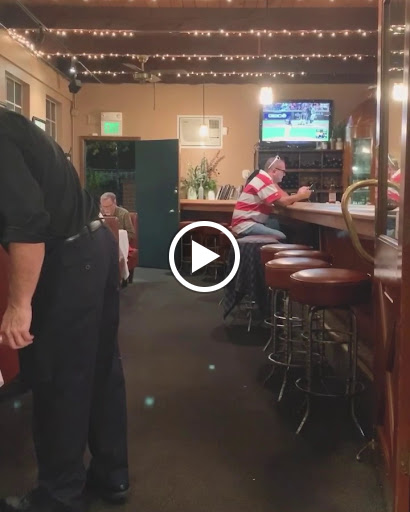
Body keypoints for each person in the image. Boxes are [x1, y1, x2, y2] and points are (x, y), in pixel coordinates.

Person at [0, 108, 128, 512]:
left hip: (69, 260)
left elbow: (28, 227)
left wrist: (18, 306)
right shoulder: (10, 125)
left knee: (58, 378)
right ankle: (111, 474)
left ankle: (59, 494)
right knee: (101, 369)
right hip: (95, 246)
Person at [231, 156, 311, 238]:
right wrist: (301, 195)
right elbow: (281, 202)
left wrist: (298, 196)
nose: (284, 174)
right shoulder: (263, 179)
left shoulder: (263, 178)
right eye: (283, 171)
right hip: (245, 225)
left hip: (246, 223)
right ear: (274, 171)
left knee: (280, 226)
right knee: (281, 236)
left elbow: (280, 199)